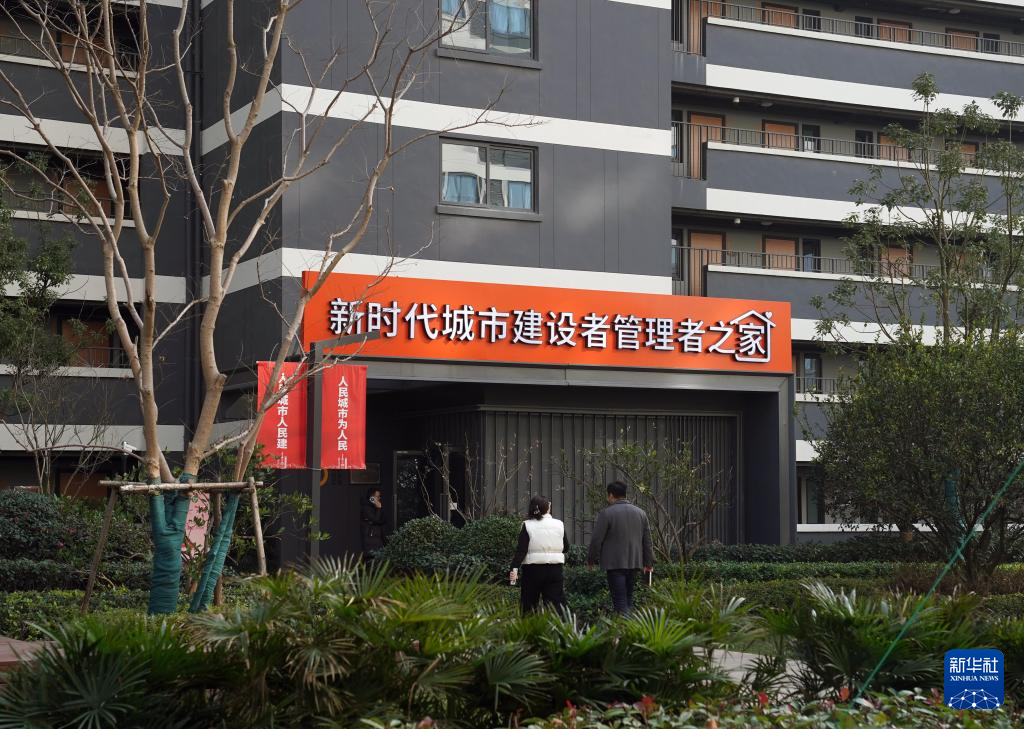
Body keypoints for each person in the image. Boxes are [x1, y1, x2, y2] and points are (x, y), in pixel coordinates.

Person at [587, 481, 654, 614]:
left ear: (611, 495)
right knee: (628, 600)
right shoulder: (641, 513)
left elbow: (596, 540)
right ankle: (630, 625)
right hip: (634, 563)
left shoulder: (606, 513)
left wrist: (590, 560)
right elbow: (647, 541)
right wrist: (648, 564)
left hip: (615, 564)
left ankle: (624, 625)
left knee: (620, 602)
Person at [509, 495, 569, 614]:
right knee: (556, 606)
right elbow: (566, 547)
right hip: (555, 570)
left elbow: (521, 550)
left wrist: (514, 568)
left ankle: (529, 626)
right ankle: (558, 626)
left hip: (532, 570)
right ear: (548, 507)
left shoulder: (527, 525)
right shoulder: (559, 524)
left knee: (529, 605)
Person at [360, 487, 386, 557]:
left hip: (377, 538)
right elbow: (375, 520)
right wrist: (378, 508)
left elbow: (383, 520)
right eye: (377, 496)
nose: (379, 498)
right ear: (371, 497)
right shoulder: (366, 508)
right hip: (370, 539)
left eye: (379, 496)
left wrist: (379, 508)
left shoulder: (376, 507)